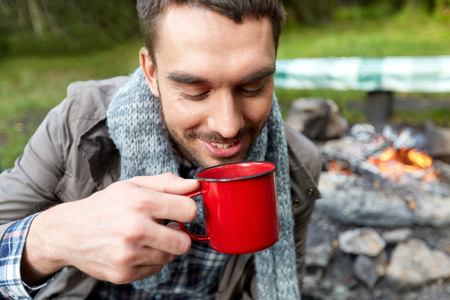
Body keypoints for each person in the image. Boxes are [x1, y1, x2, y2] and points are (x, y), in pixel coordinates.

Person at [0, 1, 321, 299]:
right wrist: (50, 240)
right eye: (196, 92)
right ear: (151, 72)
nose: (228, 126)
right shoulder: (77, 123)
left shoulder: (296, 165)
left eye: (252, 87)